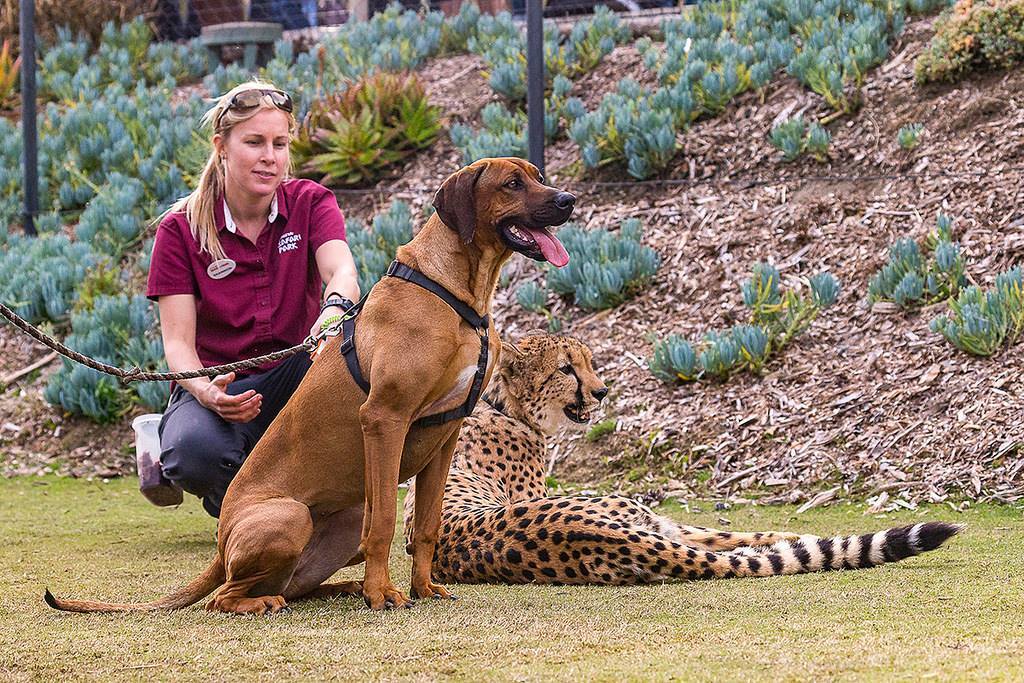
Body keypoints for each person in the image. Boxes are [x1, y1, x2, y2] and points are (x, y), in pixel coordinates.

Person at [145, 81, 360, 517]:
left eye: (280, 144)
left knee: (352, 377)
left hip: (297, 371)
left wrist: (334, 309)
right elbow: (178, 345)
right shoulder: (179, 229)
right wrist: (207, 394)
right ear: (221, 146)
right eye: (255, 142)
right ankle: (252, 503)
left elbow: (342, 271)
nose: (270, 157)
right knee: (192, 454)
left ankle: (287, 506)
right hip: (220, 383)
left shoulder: (311, 202)